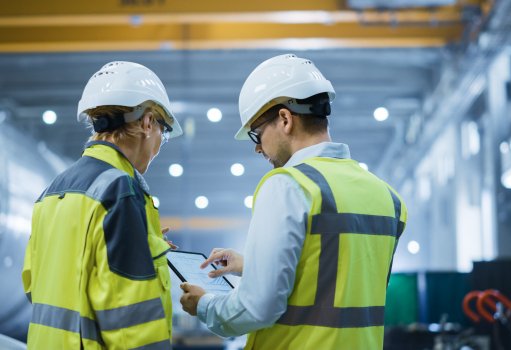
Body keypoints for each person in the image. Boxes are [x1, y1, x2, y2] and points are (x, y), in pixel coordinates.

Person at [180, 53, 407, 349]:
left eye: (257, 134)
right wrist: (254, 266)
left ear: (285, 119)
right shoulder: (387, 198)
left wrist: (204, 305)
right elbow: (336, 281)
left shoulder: (288, 186)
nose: (258, 149)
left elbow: (257, 308)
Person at [21, 61, 182, 349]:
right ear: (147, 123)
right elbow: (131, 318)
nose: (159, 147)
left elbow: (34, 284)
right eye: (163, 134)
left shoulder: (51, 192)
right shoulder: (119, 191)